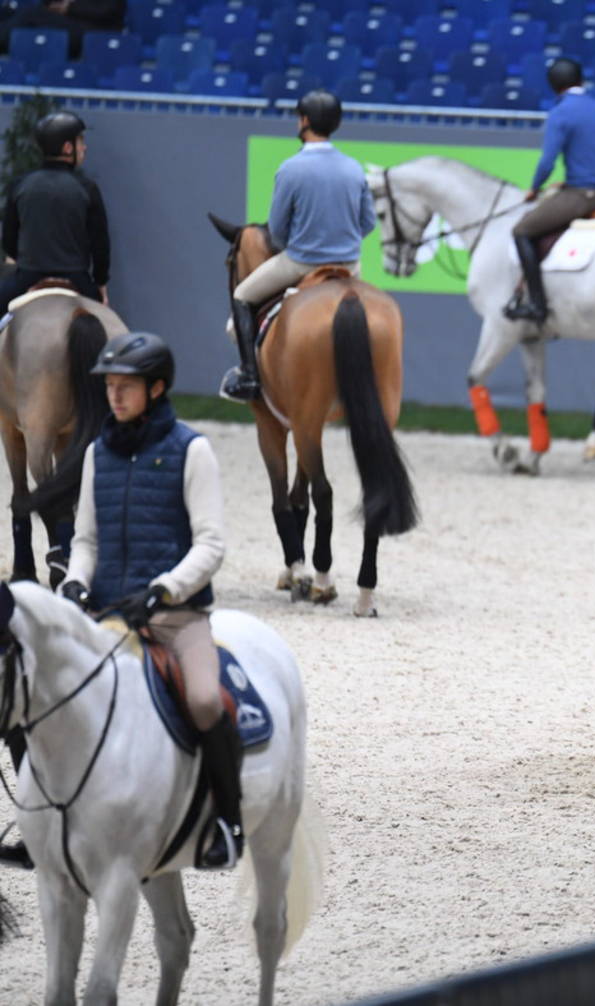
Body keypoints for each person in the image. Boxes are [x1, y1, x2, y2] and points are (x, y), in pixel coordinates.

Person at [0, 331, 242, 873]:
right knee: (26, 693)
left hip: (176, 616)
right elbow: (86, 540)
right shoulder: (96, 454)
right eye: (109, 386)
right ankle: (40, 822)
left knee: (206, 700)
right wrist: (74, 583)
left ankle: (228, 821)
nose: (113, 395)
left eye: (125, 386)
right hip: (106, 615)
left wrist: (164, 589)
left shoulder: (192, 451)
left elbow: (210, 544)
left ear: (156, 389)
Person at [221, 88, 374, 402]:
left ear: (304, 121)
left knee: (242, 296)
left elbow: (277, 230)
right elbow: (368, 223)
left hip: (302, 262)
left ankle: (249, 376)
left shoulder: (291, 168)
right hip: (349, 265)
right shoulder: (354, 168)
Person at [505, 56, 595, 323]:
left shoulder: (562, 112)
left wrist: (535, 188)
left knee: (521, 231)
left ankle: (538, 306)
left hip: (583, 195)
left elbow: (547, 161)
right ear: (581, 80)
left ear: (554, 86)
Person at [0, 110, 108, 316]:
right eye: (80, 141)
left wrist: (27, 261)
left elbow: (8, 241)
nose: (84, 147)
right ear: (67, 148)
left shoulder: (20, 185)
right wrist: (101, 283)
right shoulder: (87, 188)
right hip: (77, 278)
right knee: (105, 325)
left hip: (28, 276)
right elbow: (100, 245)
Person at [0, 0, 125, 59]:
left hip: (94, 34)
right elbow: (47, 4)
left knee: (32, 15)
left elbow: (106, 11)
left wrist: (70, 7)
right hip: (66, 25)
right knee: (19, 13)